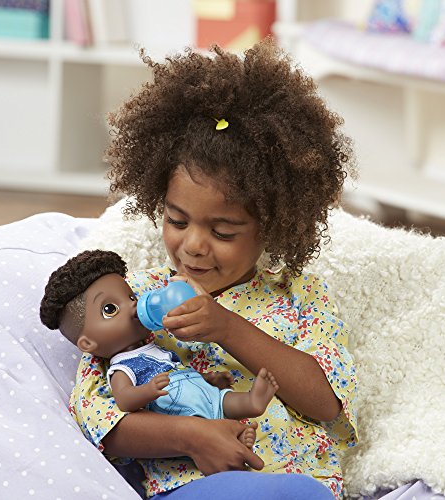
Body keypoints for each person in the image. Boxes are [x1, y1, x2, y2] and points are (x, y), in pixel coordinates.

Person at [66, 38, 358, 499]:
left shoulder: (300, 298)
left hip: (296, 484)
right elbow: (100, 417)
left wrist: (227, 328)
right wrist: (191, 436)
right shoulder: (130, 300)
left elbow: (326, 403)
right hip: (190, 486)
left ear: (272, 227)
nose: (194, 246)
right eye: (177, 221)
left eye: (223, 231)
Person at [40, 249, 279, 450]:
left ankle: (252, 402)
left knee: (223, 400)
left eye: (131, 297)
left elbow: (179, 370)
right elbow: (124, 400)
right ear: (88, 344)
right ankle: (234, 438)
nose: (133, 307)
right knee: (210, 425)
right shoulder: (122, 367)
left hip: (194, 389)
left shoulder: (156, 346)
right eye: (110, 309)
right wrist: (148, 390)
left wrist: (208, 379)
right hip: (177, 409)